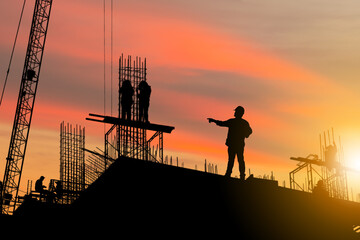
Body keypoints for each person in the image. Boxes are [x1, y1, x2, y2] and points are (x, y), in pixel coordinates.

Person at [208, 106, 252, 180]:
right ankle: (240, 175)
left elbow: (222, 123)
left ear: (238, 113)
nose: (234, 113)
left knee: (234, 160)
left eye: (236, 111)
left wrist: (213, 120)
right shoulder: (243, 123)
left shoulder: (234, 122)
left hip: (234, 145)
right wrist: (214, 121)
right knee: (238, 160)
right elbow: (249, 132)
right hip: (237, 145)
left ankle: (231, 174)